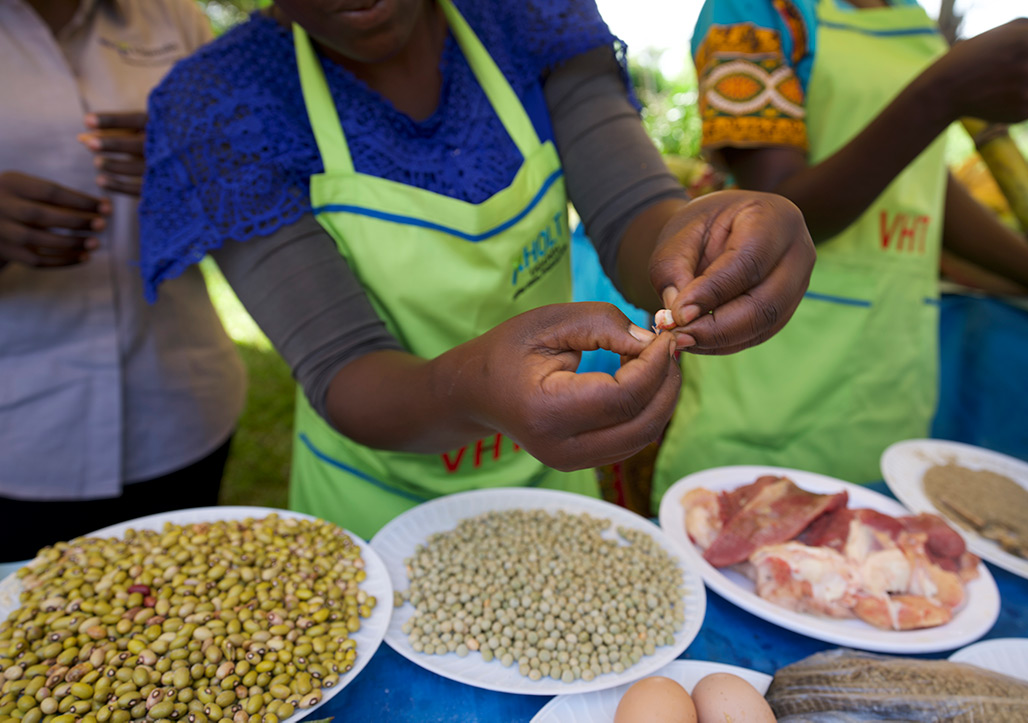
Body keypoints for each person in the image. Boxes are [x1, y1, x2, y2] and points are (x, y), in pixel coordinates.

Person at [138, 0, 816, 538]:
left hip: (555, 487)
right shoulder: (219, 101)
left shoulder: (525, 14)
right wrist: (479, 388)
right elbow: (343, 365)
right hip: (376, 514)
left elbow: (633, 212)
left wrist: (700, 237)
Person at [651, 0, 1028, 507]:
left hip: (888, 384)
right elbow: (777, 205)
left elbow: (922, 190)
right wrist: (942, 93)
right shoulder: (760, 11)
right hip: (775, 384)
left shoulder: (912, 19)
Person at [0, 0, 246, 561]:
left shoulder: (173, 18)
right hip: (18, 439)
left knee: (179, 622)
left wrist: (198, 174)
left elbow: (249, 194)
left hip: (177, 406)